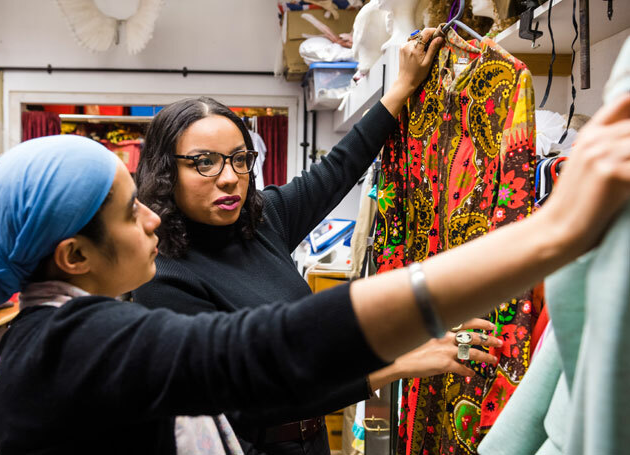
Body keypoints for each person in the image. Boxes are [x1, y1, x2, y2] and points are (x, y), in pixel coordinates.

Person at [0, 32, 630, 455]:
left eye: (241, 159)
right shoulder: (81, 343)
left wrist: (396, 96)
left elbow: (335, 173)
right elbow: (266, 351)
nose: (150, 221)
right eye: (132, 214)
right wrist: (552, 233)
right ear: (74, 256)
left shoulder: (58, 332)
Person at [132, 27, 484, 455]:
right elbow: (248, 399)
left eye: (240, 159)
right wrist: (397, 361)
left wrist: (401, 88)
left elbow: (338, 168)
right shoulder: (164, 276)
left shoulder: (262, 220)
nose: (228, 177)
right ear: (167, 172)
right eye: (204, 162)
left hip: (311, 442)